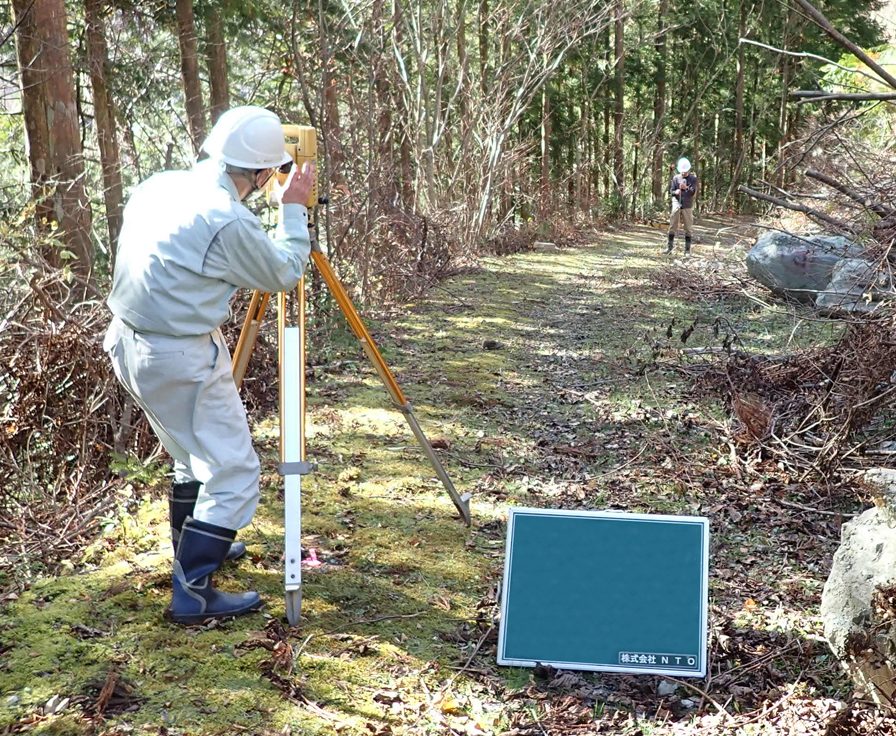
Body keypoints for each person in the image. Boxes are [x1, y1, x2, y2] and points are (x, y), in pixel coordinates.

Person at [103, 106, 316, 623]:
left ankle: (195, 549)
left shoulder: (160, 185)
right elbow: (285, 271)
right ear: (264, 172)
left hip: (129, 342)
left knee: (189, 453)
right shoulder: (227, 220)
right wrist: (292, 210)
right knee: (236, 470)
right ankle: (193, 591)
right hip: (179, 354)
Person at [665, 158, 697, 255]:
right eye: (682, 171)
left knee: (688, 227)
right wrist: (676, 192)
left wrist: (686, 188)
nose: (683, 173)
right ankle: (669, 248)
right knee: (672, 225)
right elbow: (671, 191)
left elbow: (693, 192)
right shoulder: (675, 178)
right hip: (676, 204)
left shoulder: (693, 178)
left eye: (685, 171)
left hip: (687, 205)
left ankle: (687, 250)